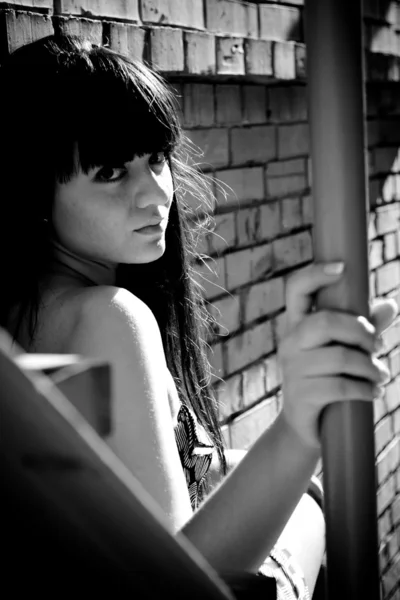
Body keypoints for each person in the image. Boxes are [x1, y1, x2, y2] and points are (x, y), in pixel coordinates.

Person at [0, 33, 396, 599]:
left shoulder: (30, 315)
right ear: (34, 192)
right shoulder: (111, 318)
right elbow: (176, 584)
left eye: (156, 160)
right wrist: (300, 423)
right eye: (111, 172)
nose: (154, 194)